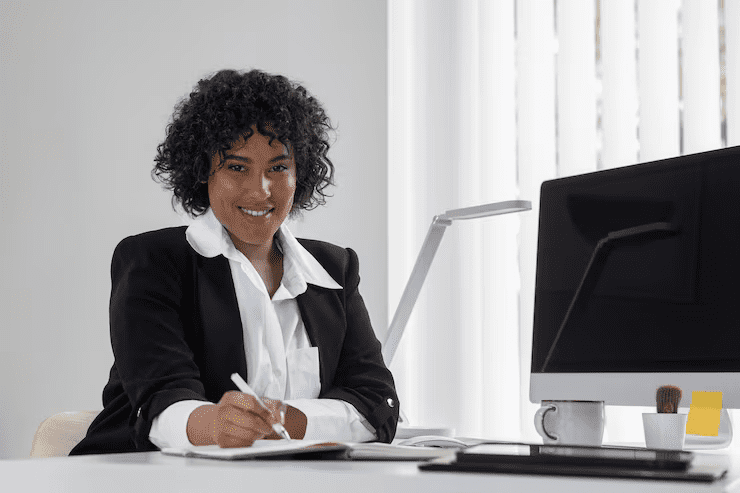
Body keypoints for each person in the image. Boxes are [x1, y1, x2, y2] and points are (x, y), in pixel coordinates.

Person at [70, 69, 398, 454]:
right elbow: (158, 403)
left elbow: (377, 403)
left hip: (290, 477)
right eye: (237, 167)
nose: (260, 190)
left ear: (300, 172)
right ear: (202, 171)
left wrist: (289, 420)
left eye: (278, 168)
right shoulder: (153, 262)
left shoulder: (333, 269)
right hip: (142, 473)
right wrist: (214, 425)